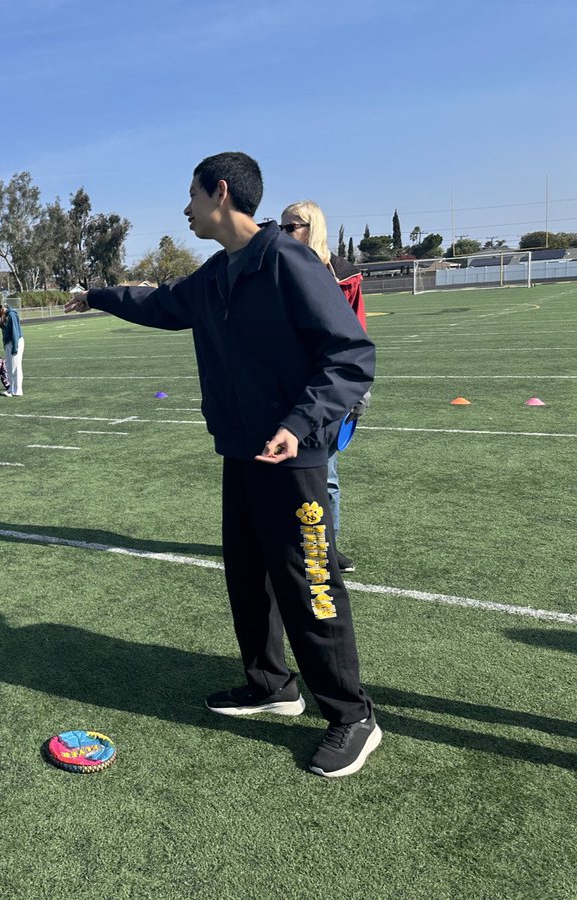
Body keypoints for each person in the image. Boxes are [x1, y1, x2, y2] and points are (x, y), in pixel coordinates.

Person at [65, 152, 380, 777]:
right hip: (240, 453)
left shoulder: (287, 262)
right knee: (247, 575)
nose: (185, 208)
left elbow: (350, 355)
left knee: (310, 584)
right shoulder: (215, 276)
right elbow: (157, 303)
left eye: (191, 195)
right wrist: (97, 295)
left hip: (294, 458)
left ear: (221, 192)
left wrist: (297, 425)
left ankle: (353, 716)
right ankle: (271, 685)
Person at [280, 200, 369, 574]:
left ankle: (325, 548)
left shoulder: (343, 276)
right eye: (281, 227)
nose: (282, 234)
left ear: (312, 227)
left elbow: (357, 337)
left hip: (325, 390)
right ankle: (289, 542)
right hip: (285, 387)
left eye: (291, 227)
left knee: (326, 476)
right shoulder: (278, 268)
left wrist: (356, 393)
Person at [0, 302, 23, 396]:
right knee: (9, 367)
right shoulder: (5, 315)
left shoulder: (11, 315)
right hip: (9, 343)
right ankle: (11, 389)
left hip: (14, 342)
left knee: (15, 367)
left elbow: (15, 332)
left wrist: (15, 347)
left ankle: (17, 390)